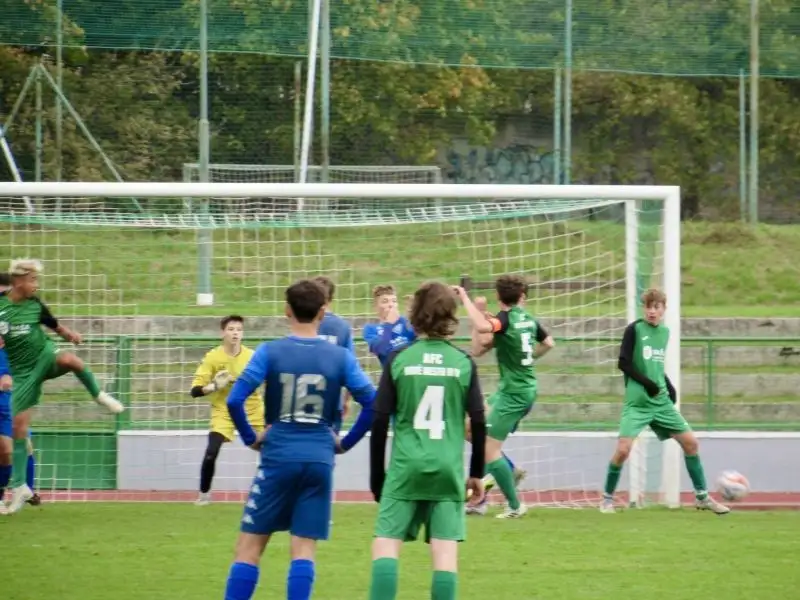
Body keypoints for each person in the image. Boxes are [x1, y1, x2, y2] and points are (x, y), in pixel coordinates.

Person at [222, 279, 376, 600]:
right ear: (322, 312)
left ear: (286, 310)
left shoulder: (270, 351)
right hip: (319, 458)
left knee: (249, 548)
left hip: (279, 456)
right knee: (303, 549)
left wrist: (251, 438)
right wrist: (344, 442)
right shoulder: (340, 357)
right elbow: (373, 403)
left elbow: (235, 400)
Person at [368, 281, 486, 600]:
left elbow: (379, 420)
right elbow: (478, 420)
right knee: (444, 555)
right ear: (451, 316)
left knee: (385, 545)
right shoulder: (463, 362)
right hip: (447, 469)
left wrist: (377, 477)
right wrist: (476, 472)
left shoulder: (399, 358)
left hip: (405, 467)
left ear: (415, 315)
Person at [0, 260, 123, 514]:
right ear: (18, 281)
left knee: (71, 360)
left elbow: (54, 324)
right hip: (23, 374)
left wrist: (70, 335)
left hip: (45, 355)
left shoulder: (35, 305)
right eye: (33, 280)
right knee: (19, 429)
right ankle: (20, 487)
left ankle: (99, 395)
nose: (36, 285)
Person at [600, 288, 729, 514]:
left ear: (663, 309)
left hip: (660, 402)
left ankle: (702, 497)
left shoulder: (664, 333)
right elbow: (624, 363)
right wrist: (648, 384)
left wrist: (667, 386)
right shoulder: (634, 329)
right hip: (638, 403)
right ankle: (607, 500)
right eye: (648, 307)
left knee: (691, 443)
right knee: (623, 450)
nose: (651, 311)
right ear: (644, 308)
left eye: (656, 307)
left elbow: (655, 367)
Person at [457, 275, 555, 518]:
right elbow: (549, 343)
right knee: (469, 428)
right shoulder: (527, 319)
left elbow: (482, 333)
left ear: (498, 296)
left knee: (488, 449)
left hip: (515, 394)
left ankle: (514, 505)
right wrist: (527, 357)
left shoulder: (504, 320)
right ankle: (504, 473)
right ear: (522, 296)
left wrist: (466, 300)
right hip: (512, 390)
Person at [190, 315, 264, 506]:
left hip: (252, 408)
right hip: (224, 410)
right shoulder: (213, 357)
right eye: (231, 329)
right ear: (223, 332)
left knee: (269, 450)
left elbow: (267, 379)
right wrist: (214, 386)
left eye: (239, 329)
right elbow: (195, 391)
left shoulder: (253, 356)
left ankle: (268, 494)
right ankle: (204, 495)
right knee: (211, 452)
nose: (235, 333)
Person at [362, 284, 415, 367]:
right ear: (376, 307)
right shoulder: (371, 329)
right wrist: (389, 324)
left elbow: (419, 339)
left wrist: (416, 316)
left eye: (394, 301)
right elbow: (382, 350)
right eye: (385, 301)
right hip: (390, 372)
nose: (391, 305)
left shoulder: (405, 322)